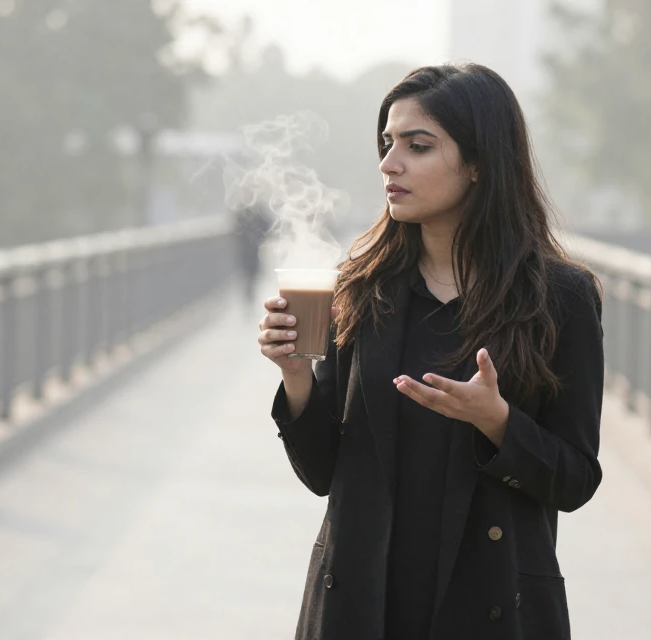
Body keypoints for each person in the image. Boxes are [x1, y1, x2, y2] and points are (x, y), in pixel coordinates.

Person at [256, 63, 604, 639]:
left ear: (478, 162)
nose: (389, 164)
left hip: (491, 605)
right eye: (387, 143)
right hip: (361, 608)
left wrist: (497, 422)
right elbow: (322, 474)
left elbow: (575, 480)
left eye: (417, 146)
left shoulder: (559, 297)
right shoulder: (363, 287)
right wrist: (297, 378)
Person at [233, 202, 273, 308]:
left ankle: (250, 297)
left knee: (251, 275)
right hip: (249, 251)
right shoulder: (249, 215)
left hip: (250, 251)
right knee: (250, 275)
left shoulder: (245, 215)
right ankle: (250, 297)